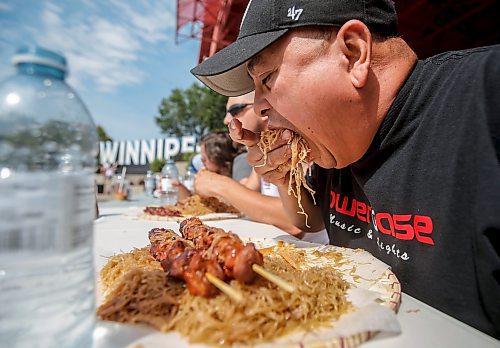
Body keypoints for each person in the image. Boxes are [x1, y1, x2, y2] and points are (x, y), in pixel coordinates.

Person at [191, 0, 500, 338]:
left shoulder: (487, 93)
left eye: (267, 78)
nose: (260, 106)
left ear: (353, 53)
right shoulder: (336, 141)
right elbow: (309, 220)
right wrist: (282, 177)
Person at [195, 92, 329, 242]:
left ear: (263, 109)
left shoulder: (297, 143)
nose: (226, 119)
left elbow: (294, 223)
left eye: (234, 110)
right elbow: (249, 190)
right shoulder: (265, 148)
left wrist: (219, 185)